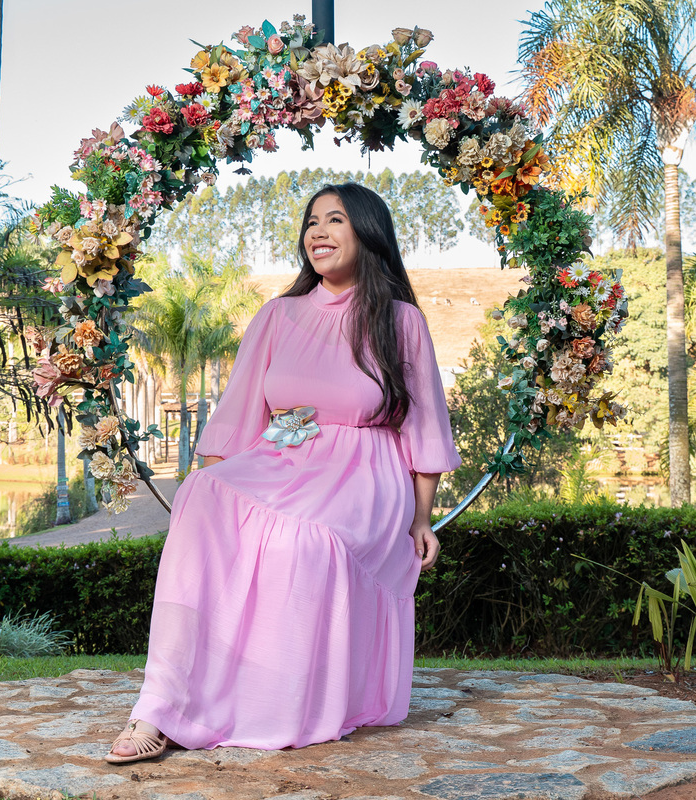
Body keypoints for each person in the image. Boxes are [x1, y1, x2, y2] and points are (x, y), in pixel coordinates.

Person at [105, 183, 460, 763]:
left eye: (335, 219)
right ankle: (159, 707)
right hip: (285, 455)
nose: (317, 232)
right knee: (202, 493)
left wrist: (423, 520)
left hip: (366, 473)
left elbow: (425, 430)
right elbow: (240, 416)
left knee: (303, 540)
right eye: (311, 222)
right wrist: (220, 507)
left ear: (368, 233)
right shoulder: (278, 315)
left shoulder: (401, 321)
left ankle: (276, 705)